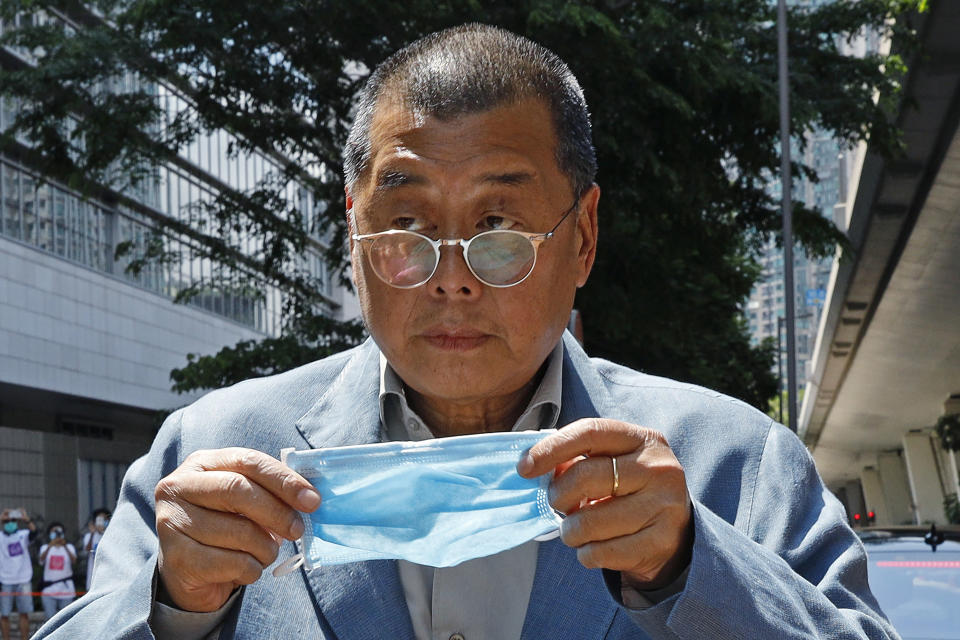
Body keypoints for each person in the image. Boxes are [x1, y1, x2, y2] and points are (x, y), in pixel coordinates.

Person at [34, 24, 898, 640]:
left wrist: (690, 568)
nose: (450, 276)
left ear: (583, 237)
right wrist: (173, 605)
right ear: (354, 232)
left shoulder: (728, 463)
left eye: (500, 233)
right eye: (405, 227)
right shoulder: (213, 451)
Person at [1, 507, 35, 640]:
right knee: (4, 615)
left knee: (24, 614)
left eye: (13, 520)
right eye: (7, 520)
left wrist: (27, 519)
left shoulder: (23, 534)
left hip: (24, 579)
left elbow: (35, 533)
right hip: (5, 580)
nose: (10, 522)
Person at [38, 523, 77, 622]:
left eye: (59, 532)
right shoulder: (45, 547)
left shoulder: (69, 547)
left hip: (66, 591)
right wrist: (50, 546)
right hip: (49, 591)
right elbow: (41, 560)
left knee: (66, 622)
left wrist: (65, 546)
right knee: (50, 622)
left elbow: (74, 561)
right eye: (54, 532)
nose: (57, 534)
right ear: (49, 534)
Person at [80, 509, 110, 593]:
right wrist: (93, 533)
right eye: (99, 519)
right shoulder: (89, 536)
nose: (102, 522)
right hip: (92, 578)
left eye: (104, 519)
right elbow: (87, 550)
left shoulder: (111, 534)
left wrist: (105, 532)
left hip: (108, 578)